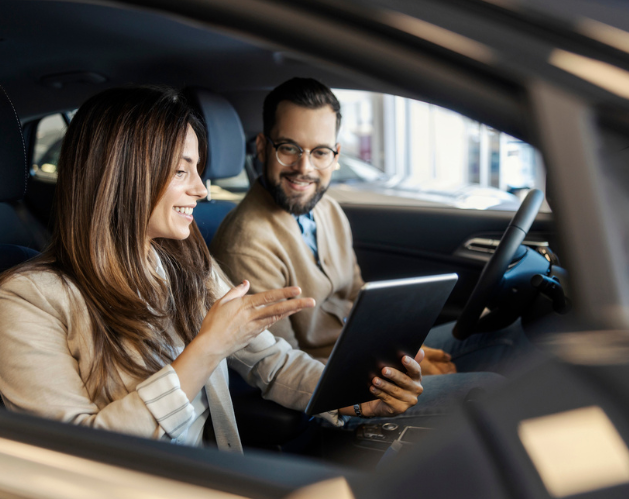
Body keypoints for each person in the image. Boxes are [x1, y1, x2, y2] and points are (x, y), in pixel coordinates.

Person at [0, 85, 463, 454]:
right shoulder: (28, 299)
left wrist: (357, 401)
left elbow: (273, 363)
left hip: (214, 472)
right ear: (124, 174)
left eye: (199, 171)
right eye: (182, 170)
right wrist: (206, 348)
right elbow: (72, 452)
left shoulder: (187, 261)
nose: (203, 191)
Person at [210, 78, 531, 377]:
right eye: (289, 148)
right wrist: (391, 369)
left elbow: (356, 298)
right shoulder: (246, 244)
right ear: (264, 148)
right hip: (339, 386)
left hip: (369, 354)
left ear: (335, 156)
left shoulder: (327, 208)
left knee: (507, 331)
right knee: (489, 389)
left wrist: (403, 351)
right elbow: (285, 368)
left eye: (320, 152)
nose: (304, 168)